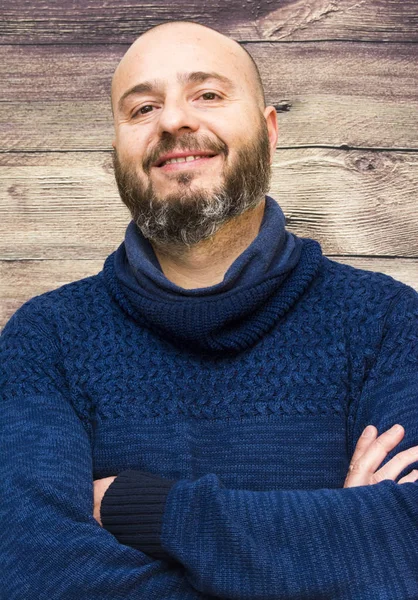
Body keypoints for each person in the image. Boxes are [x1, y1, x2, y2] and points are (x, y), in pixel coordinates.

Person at [1, 19, 418, 600]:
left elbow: (409, 544)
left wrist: (142, 508)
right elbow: (30, 570)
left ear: (269, 131)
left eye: (209, 94)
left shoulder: (388, 323)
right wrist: (336, 550)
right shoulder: (44, 340)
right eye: (143, 108)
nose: (173, 120)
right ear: (117, 149)